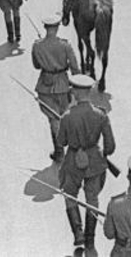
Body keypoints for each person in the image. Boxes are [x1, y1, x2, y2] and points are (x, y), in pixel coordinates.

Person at [58, 74, 115, 252]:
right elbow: (110, 146)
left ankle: (78, 233)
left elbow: (61, 142)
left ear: (74, 92)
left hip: (72, 161)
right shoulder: (101, 114)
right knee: (92, 199)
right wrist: (103, 154)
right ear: (90, 92)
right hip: (94, 161)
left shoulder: (67, 116)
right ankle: (90, 239)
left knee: (70, 195)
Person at [33, 16, 80, 163]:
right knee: (66, 117)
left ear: (46, 28)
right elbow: (75, 68)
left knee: (53, 120)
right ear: (57, 27)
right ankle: (73, 149)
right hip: (63, 85)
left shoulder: (37, 45)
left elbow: (36, 65)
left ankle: (59, 152)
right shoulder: (65, 45)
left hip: (45, 87)